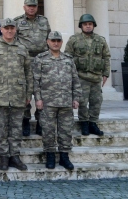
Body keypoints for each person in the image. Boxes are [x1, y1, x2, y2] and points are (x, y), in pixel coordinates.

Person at [0, 18, 32, 171]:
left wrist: (28, 94)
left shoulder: (22, 48)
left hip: (18, 94)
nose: (9, 31)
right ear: (1, 29)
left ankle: (15, 156)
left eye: (12, 28)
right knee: (2, 128)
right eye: (7, 28)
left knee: (16, 128)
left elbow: (28, 73)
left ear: (15, 29)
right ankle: (4, 156)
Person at [33, 31, 81, 171]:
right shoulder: (40, 59)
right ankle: (50, 155)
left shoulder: (68, 59)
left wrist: (76, 98)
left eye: (58, 41)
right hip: (48, 102)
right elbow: (35, 81)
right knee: (48, 130)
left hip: (66, 101)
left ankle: (64, 156)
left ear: (61, 42)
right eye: (53, 40)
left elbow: (75, 80)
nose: (55, 43)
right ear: (47, 42)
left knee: (65, 130)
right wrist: (38, 99)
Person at [65, 14, 111, 137]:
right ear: (81, 26)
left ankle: (93, 123)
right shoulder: (74, 40)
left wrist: (106, 73)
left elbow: (106, 57)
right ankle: (84, 123)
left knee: (96, 101)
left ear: (93, 25)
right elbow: (67, 57)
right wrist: (70, 75)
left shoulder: (100, 40)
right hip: (81, 76)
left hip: (96, 77)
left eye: (90, 24)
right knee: (82, 101)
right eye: (85, 24)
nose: (88, 26)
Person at [14, 0, 50, 136]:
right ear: (24, 7)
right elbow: (14, 40)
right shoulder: (18, 21)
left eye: (34, 6)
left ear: (37, 7)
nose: (31, 8)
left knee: (42, 90)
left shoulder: (44, 21)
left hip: (42, 60)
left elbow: (49, 39)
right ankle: (25, 121)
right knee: (25, 90)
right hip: (25, 60)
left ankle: (41, 121)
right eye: (29, 6)